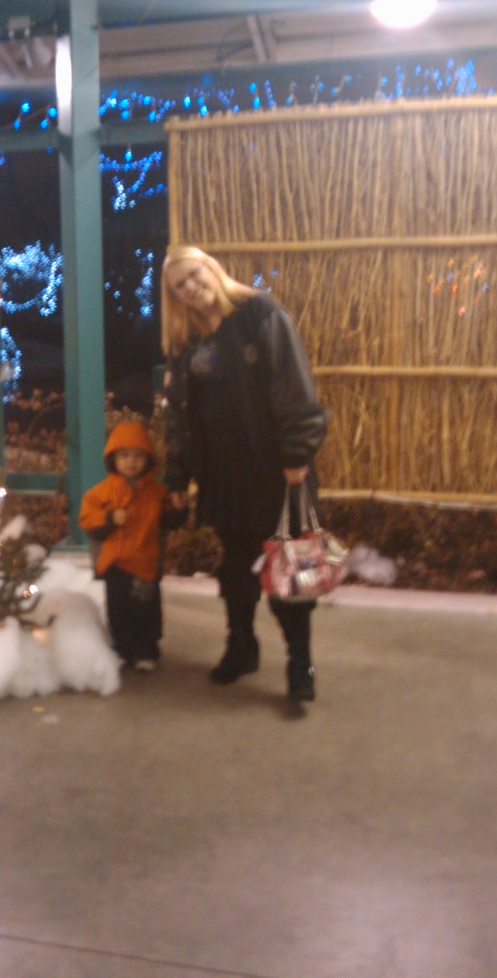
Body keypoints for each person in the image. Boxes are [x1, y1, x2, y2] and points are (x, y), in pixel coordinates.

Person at [161, 245, 328, 702]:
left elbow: (293, 384)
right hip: (222, 471)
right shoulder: (187, 340)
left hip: (275, 467)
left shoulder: (260, 314)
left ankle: (300, 662)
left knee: (288, 567)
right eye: (178, 286)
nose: (190, 288)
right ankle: (241, 646)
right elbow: (178, 414)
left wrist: (297, 452)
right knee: (235, 567)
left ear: (211, 269)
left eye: (193, 275)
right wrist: (177, 476)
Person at [79, 420, 175, 672]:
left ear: (148, 459)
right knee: (118, 610)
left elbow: (170, 520)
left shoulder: (157, 492)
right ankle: (122, 650)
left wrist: (178, 509)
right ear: (113, 459)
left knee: (147, 610)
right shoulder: (100, 493)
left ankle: (146, 650)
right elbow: (88, 521)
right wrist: (110, 519)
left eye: (138, 456)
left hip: (145, 562)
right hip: (116, 564)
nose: (131, 462)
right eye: (124, 456)